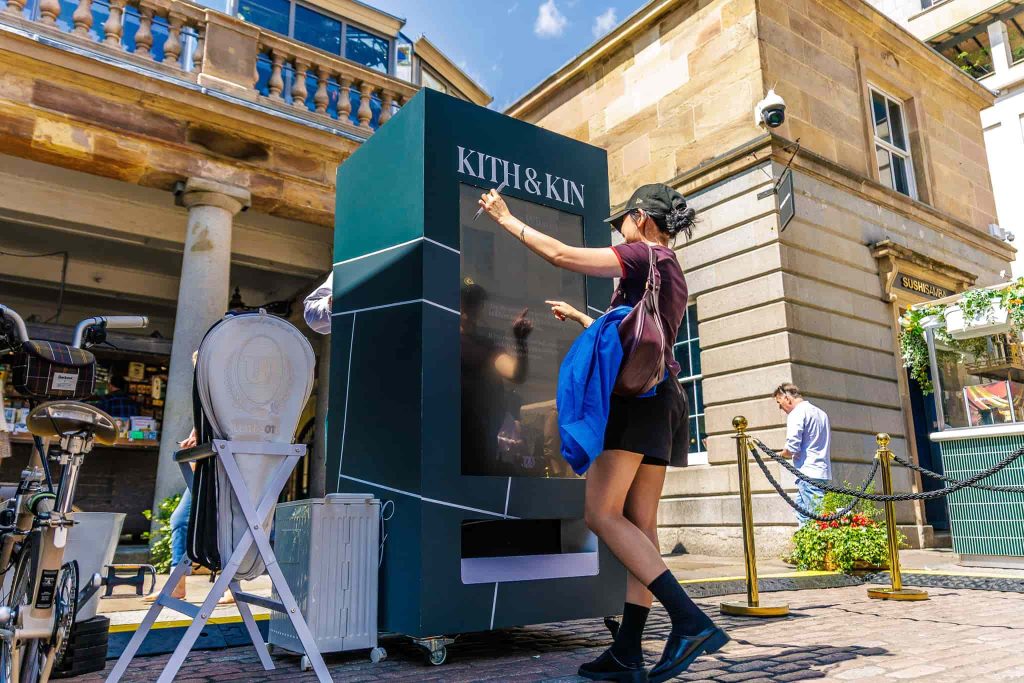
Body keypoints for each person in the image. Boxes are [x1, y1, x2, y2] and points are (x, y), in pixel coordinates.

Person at [480, 183, 727, 683]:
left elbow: (561, 254)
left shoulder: (643, 255)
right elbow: (635, 338)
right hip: (664, 399)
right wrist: (582, 318)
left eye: (623, 223)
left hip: (635, 404)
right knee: (641, 525)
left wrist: (504, 218)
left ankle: (689, 620)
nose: (621, 231)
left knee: (600, 513)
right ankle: (628, 652)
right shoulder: (671, 269)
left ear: (642, 217)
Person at [460, 281, 533, 475]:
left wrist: (521, 342)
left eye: (476, 302)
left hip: (480, 440)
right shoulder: (442, 339)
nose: (471, 307)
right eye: (468, 300)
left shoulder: (486, 346)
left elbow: (516, 374)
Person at [774, 383, 832, 525]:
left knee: (817, 521)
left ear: (787, 398)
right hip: (822, 472)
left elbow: (792, 447)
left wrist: (781, 454)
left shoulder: (797, 413)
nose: (780, 408)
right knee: (804, 516)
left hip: (808, 473)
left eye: (779, 403)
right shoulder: (821, 413)